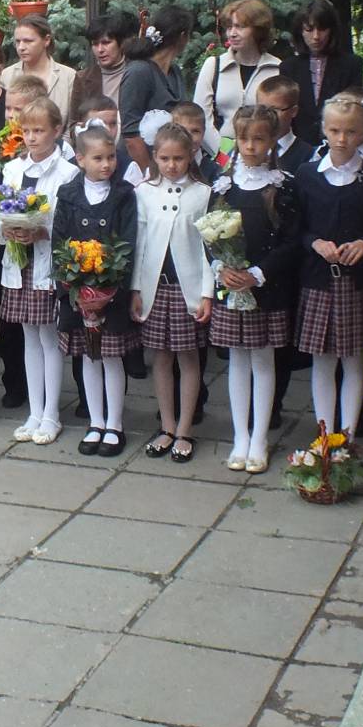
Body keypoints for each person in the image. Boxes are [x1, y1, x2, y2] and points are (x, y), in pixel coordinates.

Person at [209, 106, 299, 474]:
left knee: (262, 362)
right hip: (232, 289)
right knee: (237, 361)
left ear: (272, 139)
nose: (249, 146)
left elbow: (292, 241)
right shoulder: (224, 185)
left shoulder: (282, 186)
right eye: (244, 139)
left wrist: (258, 273)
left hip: (266, 289)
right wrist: (221, 267)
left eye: (258, 139)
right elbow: (210, 233)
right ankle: (240, 436)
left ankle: (260, 437)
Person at [296, 94, 363, 439]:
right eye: (334, 130)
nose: (341, 139)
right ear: (323, 128)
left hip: (357, 283)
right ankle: (324, 434)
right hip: (319, 281)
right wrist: (314, 243)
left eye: (350, 131)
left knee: (354, 360)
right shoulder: (307, 175)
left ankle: (347, 435)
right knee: (322, 360)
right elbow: (296, 227)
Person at [52, 123, 138, 457]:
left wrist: (111, 286)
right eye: (98, 158)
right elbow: (60, 240)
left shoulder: (123, 194)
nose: (106, 164)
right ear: (80, 159)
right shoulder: (68, 194)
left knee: (112, 357)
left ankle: (114, 424)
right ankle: (96, 420)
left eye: (111, 157)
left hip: (110, 292)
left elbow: (129, 240)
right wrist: (70, 284)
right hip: (78, 292)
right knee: (89, 356)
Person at [0, 97, 78, 445]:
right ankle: (35, 410)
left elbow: (69, 223)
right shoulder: (13, 169)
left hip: (46, 263)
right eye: (26, 131)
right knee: (28, 337)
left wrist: (42, 231)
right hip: (20, 262)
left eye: (39, 131)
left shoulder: (67, 173)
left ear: (56, 131)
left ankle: (51, 414)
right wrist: (8, 229)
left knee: (49, 339)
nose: (31, 138)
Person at [132, 122, 213, 464]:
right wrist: (135, 288)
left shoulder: (203, 193)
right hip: (155, 287)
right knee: (160, 357)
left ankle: (184, 429)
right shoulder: (144, 192)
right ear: (155, 156)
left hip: (186, 288)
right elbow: (140, 244)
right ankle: (166, 426)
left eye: (178, 158)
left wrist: (207, 292)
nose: (171, 165)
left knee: (188, 357)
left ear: (191, 155)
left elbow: (209, 247)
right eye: (164, 158)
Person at [192, 0, 283, 154]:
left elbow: (281, 120)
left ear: (258, 30)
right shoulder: (214, 65)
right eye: (229, 27)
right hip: (219, 155)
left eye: (240, 27)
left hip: (262, 156)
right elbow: (201, 117)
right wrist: (224, 156)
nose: (232, 33)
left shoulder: (277, 69)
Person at [279, 0, 363, 148]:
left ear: (331, 30)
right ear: (300, 31)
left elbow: (354, 108)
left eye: (322, 29)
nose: (316, 36)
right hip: (299, 146)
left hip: (339, 145)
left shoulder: (351, 64)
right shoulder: (289, 67)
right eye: (309, 30)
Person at [119, 5, 193, 170]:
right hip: (139, 169)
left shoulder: (175, 71)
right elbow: (130, 135)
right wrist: (152, 175)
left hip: (170, 167)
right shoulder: (139, 71)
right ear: (183, 36)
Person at [68, 10, 138, 127]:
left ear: (120, 43)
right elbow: (73, 123)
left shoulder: (137, 71)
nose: (100, 50)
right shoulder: (82, 78)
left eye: (106, 43)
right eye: (95, 44)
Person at [0, 16, 76, 118]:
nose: (21, 47)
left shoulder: (68, 76)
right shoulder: (7, 75)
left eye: (28, 41)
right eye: (18, 41)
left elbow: (73, 121)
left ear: (46, 40)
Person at [257, 75, 313, 173]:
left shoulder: (309, 156)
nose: (267, 116)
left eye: (275, 110)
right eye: (262, 109)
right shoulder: (245, 147)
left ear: (293, 111)